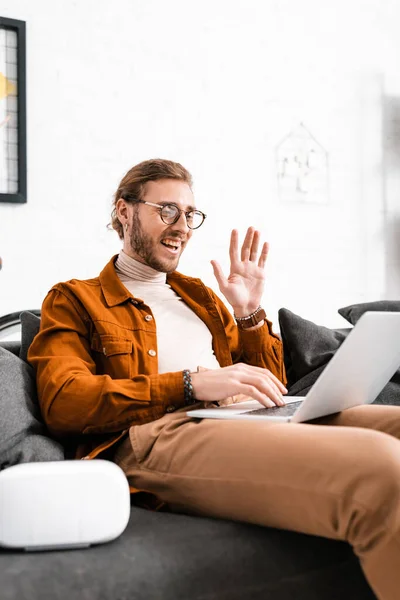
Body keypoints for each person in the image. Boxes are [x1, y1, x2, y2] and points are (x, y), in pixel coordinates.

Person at [29, 158, 400, 599]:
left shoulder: (200, 296)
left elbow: (273, 383)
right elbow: (64, 402)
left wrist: (248, 315)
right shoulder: (75, 298)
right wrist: (190, 383)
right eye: (167, 210)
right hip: (157, 435)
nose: (182, 226)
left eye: (189, 215)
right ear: (124, 211)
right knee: (379, 466)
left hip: (247, 420)